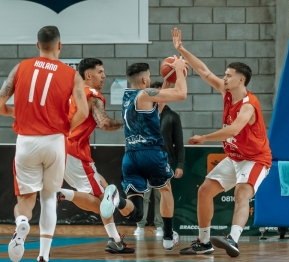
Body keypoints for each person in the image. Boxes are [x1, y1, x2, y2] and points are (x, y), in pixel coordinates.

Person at [171, 28, 272, 257]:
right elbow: (204, 72)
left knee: (242, 193)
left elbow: (235, 129)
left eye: (228, 75)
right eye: (224, 75)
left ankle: (233, 239)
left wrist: (204, 138)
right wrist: (181, 49)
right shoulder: (227, 93)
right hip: (235, 157)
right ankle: (204, 242)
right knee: (204, 191)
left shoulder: (248, 105)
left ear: (240, 79)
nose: (224, 78)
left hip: (255, 159)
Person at [0, 26, 89, 262]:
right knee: (49, 198)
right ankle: (43, 256)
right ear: (59, 45)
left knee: (26, 200)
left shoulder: (20, 68)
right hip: (54, 142)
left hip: (26, 142)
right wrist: (66, 128)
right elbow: (83, 111)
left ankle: (21, 223)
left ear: (37, 45)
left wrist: (13, 112)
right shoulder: (72, 74)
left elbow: (0, 104)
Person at [100, 57, 188, 251]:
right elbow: (181, 94)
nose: (149, 79)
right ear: (144, 81)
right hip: (151, 153)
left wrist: (167, 81)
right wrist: (180, 70)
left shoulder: (127, 97)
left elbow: (156, 109)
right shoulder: (145, 94)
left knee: (136, 213)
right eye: (148, 77)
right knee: (165, 190)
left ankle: (116, 199)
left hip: (130, 157)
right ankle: (167, 237)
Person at [56, 58, 134, 254]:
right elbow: (104, 123)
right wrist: (129, 122)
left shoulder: (67, 92)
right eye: (100, 72)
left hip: (55, 147)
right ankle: (63, 194)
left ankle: (115, 237)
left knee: (102, 185)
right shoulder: (92, 94)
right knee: (102, 202)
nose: (104, 76)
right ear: (88, 75)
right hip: (75, 151)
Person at [133, 81, 185, 237]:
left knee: (161, 194)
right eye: (155, 93)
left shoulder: (172, 116)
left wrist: (180, 164)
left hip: (164, 161)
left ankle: (161, 226)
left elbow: (179, 143)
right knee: (144, 194)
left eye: (161, 93)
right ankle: (140, 226)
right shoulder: (142, 114)